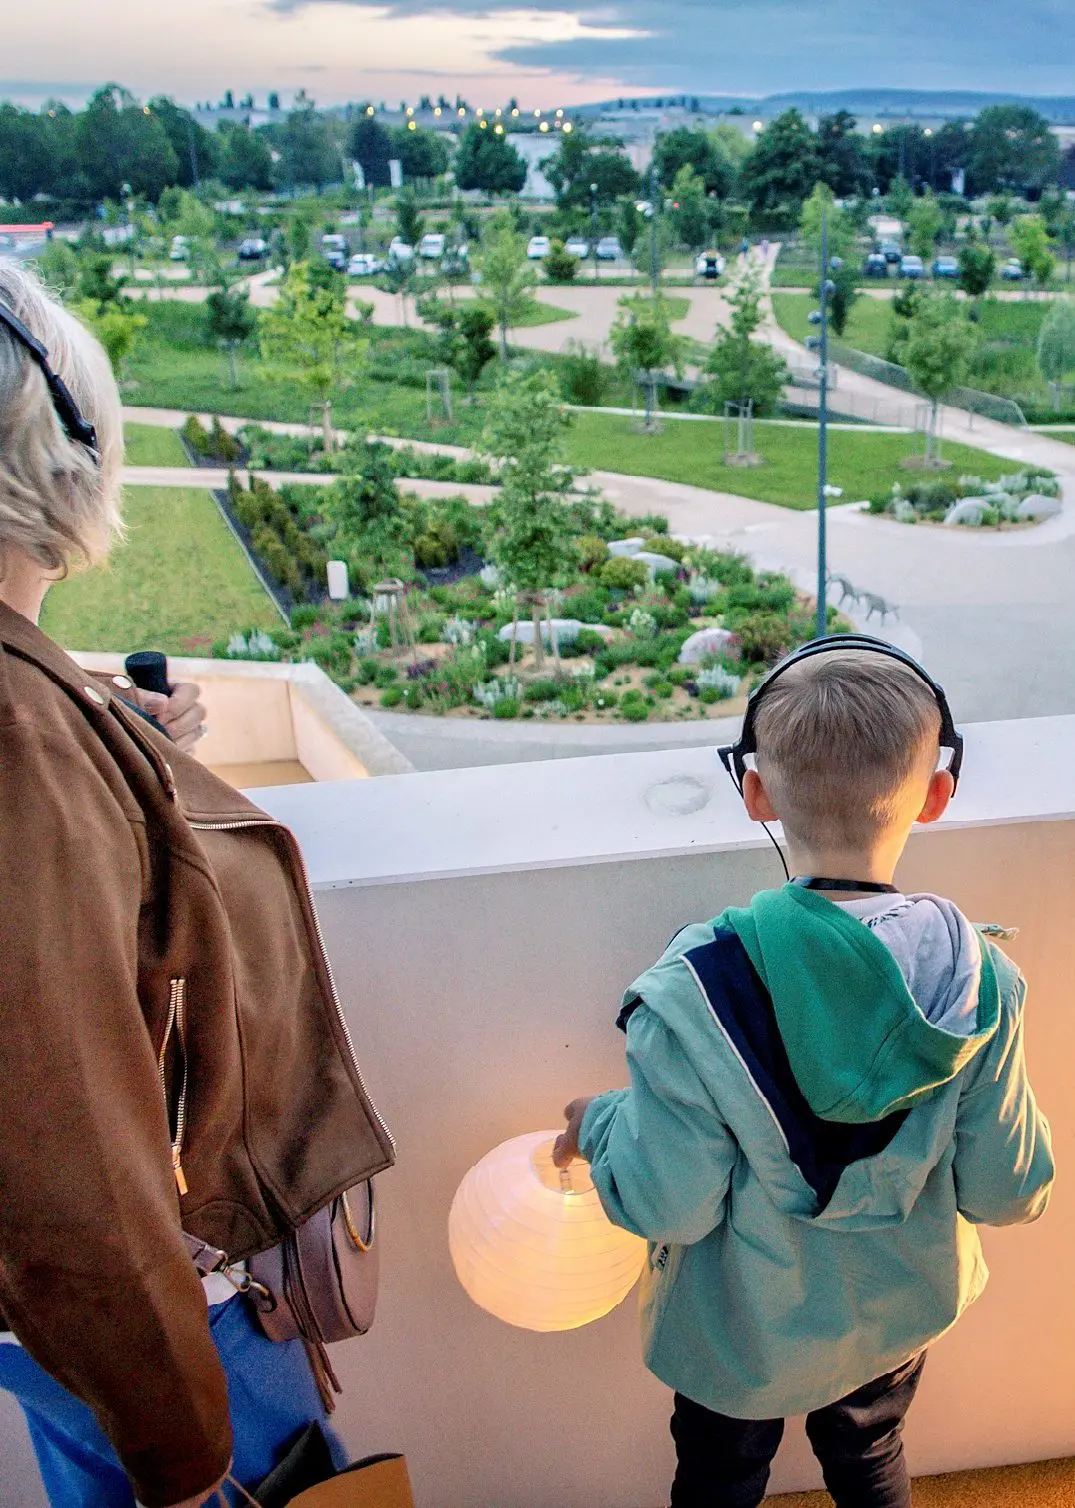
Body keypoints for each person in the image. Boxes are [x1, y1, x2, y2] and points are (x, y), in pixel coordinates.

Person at [0, 263, 395, 1507]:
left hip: (60, 1330)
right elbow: (62, 1144)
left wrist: (109, 738)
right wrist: (186, 1442)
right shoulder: (15, 744)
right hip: (164, 1316)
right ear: (58, 452)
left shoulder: (40, 719)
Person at [554, 643, 1054, 1508]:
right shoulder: (982, 984)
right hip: (892, 1317)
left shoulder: (690, 991)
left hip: (737, 1333)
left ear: (753, 793)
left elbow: (669, 1202)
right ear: (937, 795)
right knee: (871, 1459)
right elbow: (1011, 1190)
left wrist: (595, 1122)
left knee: (717, 1478)